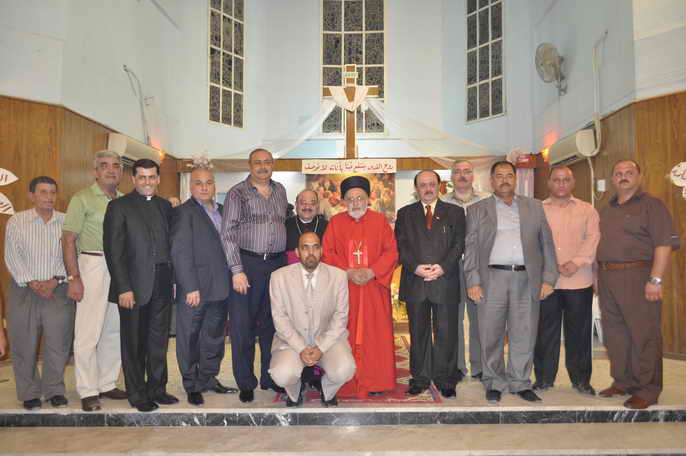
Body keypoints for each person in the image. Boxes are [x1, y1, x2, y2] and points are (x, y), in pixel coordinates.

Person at [464, 161, 558, 404]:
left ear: (515, 180)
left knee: (524, 332)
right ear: (491, 181)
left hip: (527, 278)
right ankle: (494, 381)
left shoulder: (534, 207)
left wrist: (549, 278)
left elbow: (547, 243)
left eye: (509, 176)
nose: (504, 180)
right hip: (491, 278)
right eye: (499, 176)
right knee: (490, 333)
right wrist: (473, 281)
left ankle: (520, 381)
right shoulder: (477, 210)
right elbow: (470, 248)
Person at [596, 159, 680, 409]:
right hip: (607, 277)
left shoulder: (652, 205)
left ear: (639, 177)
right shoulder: (607, 208)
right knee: (615, 335)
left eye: (629, 172)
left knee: (644, 334)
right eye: (618, 173)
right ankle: (623, 382)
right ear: (613, 179)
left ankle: (648, 389)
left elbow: (663, 244)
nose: (623, 176)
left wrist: (656, 279)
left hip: (638, 276)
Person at [103, 159, 178, 412]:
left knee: (159, 340)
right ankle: (137, 394)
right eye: (142, 177)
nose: (147, 182)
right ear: (133, 179)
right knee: (134, 343)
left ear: (158, 179)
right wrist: (123, 287)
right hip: (133, 287)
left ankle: (157, 388)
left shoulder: (165, 206)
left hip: (163, 282)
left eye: (152, 177)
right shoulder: (118, 206)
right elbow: (114, 251)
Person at [220, 148, 288, 403]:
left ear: (273, 165)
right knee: (243, 327)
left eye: (267, 162)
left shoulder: (280, 190)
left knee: (273, 325)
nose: (263, 166)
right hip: (247, 265)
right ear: (250, 165)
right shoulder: (237, 193)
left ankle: (270, 377)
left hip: (276, 266)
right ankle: (246, 382)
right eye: (257, 162)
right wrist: (237, 270)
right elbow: (228, 233)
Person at [322, 175, 399, 398]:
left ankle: (376, 381)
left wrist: (372, 271)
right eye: (350, 198)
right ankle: (345, 381)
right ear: (344, 201)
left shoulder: (380, 221)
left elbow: (391, 252)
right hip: (345, 288)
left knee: (376, 336)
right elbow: (327, 252)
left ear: (368, 199)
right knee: (344, 333)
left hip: (374, 288)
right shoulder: (336, 223)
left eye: (359, 198)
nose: (355, 203)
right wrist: (348, 272)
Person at [62, 150, 128, 412]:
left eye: (116, 166)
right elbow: (68, 240)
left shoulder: (124, 200)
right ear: (95, 171)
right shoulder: (81, 199)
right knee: (88, 332)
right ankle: (88, 390)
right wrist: (74, 277)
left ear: (121, 171)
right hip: (92, 264)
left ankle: (106, 383)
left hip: (119, 267)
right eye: (104, 165)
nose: (111, 170)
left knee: (114, 329)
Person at [4, 176, 75, 410]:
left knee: (58, 342)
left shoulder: (66, 221)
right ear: (31, 195)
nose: (49, 197)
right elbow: (12, 254)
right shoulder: (17, 221)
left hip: (58, 289)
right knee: (23, 343)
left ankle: (54, 390)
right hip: (24, 290)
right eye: (43, 192)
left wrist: (55, 280)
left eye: (52, 192)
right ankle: (29, 393)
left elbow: (70, 254)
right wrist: (32, 282)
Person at [171, 167, 238, 406]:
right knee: (189, 338)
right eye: (198, 183)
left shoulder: (222, 211)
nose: (204, 187)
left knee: (214, 338)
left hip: (220, 287)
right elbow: (180, 251)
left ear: (214, 186)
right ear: (191, 186)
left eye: (208, 182)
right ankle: (191, 385)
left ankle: (208, 378)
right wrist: (190, 287)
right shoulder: (183, 212)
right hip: (195, 289)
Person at [396, 170, 466, 399]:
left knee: (447, 332)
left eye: (432, 184)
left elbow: (459, 244)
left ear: (439, 186)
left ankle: (446, 379)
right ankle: (420, 378)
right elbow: (401, 245)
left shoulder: (455, 212)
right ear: (416, 188)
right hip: (415, 280)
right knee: (418, 333)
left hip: (445, 280)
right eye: (423, 185)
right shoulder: (405, 214)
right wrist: (415, 267)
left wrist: (442, 267)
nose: (427, 188)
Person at [533, 166, 600, 396]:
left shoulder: (587, 210)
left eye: (566, 180)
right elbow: (532, 242)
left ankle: (581, 380)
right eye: (556, 180)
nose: (561, 184)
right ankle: (543, 378)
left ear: (573, 183)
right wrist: (550, 267)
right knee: (544, 333)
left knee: (579, 334)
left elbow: (593, 239)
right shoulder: (537, 210)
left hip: (579, 280)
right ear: (549, 183)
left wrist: (576, 262)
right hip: (547, 282)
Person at [269, 232, 356, 407]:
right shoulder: (278, 277)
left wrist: (321, 347)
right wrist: (301, 348)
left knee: (345, 369)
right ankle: (295, 391)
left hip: (328, 341)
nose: (311, 252)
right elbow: (280, 319)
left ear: (321, 251)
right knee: (281, 375)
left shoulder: (338, 276)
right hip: (292, 342)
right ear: (297, 252)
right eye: (305, 248)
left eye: (315, 247)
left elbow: (340, 317)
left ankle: (327, 389)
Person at [441, 159, 490, 381]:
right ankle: (458, 367)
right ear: (451, 177)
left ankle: (479, 366)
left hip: (480, 268)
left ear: (473, 175)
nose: (462, 175)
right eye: (458, 172)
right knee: (454, 318)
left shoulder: (487, 201)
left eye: (467, 171)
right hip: (451, 268)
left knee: (480, 318)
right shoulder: (442, 202)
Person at [285, 189, 328, 264]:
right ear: (296, 204)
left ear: (317, 206)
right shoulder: (285, 226)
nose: (307, 207)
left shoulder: (328, 227)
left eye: (312, 203)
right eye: (303, 203)